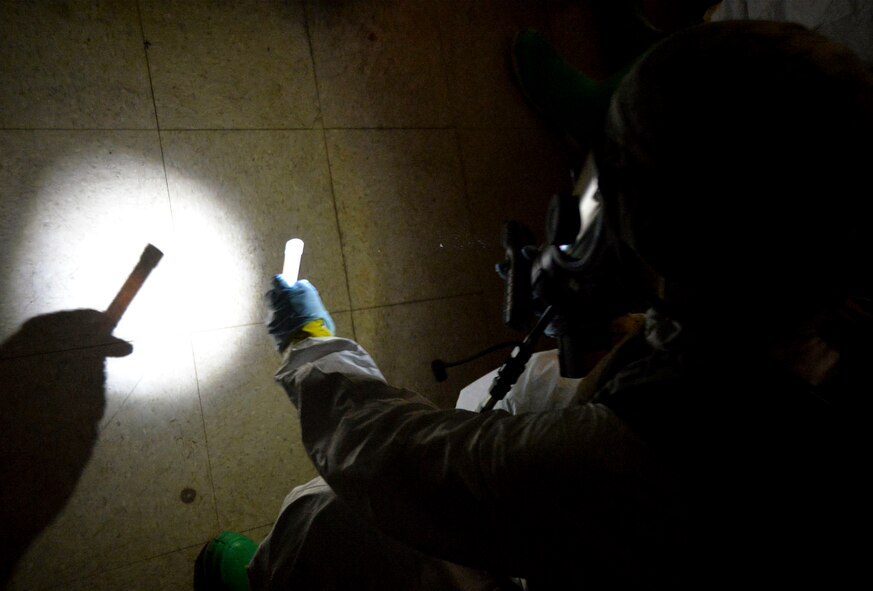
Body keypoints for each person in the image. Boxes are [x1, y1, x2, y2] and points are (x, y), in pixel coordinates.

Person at [196, 20, 872, 590]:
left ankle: (270, 571)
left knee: (335, 521)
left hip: (646, 532)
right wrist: (630, 325)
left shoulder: (652, 462)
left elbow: (399, 464)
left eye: (612, 193)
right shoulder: (820, 280)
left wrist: (311, 343)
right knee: (524, 386)